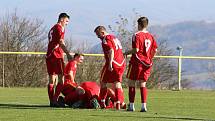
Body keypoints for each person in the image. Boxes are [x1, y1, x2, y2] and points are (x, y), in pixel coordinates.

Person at [124, 16, 158, 112]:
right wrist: (149, 58)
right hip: (147, 63)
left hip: (136, 62)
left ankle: (131, 106)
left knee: (131, 82)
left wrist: (126, 53)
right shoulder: (151, 36)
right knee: (143, 84)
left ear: (138, 24)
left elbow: (136, 50)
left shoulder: (136, 35)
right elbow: (155, 49)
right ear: (147, 25)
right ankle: (144, 106)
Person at [94, 26, 126, 110]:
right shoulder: (115, 38)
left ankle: (102, 102)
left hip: (113, 62)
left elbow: (111, 50)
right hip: (121, 63)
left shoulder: (106, 39)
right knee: (117, 83)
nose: (98, 37)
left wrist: (110, 63)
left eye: (98, 35)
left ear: (102, 32)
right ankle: (119, 103)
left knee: (103, 82)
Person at [46, 13, 73, 107]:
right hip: (56, 55)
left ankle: (51, 101)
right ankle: (54, 100)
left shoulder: (52, 28)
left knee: (51, 80)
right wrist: (68, 54)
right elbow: (61, 42)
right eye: (66, 21)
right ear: (62, 19)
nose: (67, 24)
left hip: (49, 56)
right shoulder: (59, 28)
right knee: (61, 79)